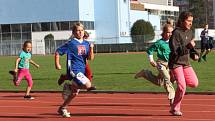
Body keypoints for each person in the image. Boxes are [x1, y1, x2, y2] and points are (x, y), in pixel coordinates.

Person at [55, 22, 94, 118]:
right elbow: (58, 52)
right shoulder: (71, 43)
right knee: (88, 85)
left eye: (82, 30)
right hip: (73, 69)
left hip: (82, 69)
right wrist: (57, 64)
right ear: (74, 32)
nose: (80, 32)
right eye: (78, 30)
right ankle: (69, 85)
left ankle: (62, 108)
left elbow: (90, 58)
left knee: (74, 93)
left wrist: (92, 49)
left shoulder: (86, 43)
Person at [134, 24, 175, 106]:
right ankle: (172, 98)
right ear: (164, 33)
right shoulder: (159, 43)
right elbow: (150, 50)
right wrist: (151, 60)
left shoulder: (173, 42)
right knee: (167, 78)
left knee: (160, 82)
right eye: (168, 32)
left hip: (170, 64)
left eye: (171, 32)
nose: (170, 34)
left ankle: (145, 73)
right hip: (161, 63)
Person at [168, 11, 199, 116]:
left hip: (185, 63)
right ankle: (175, 108)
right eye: (188, 21)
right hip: (175, 63)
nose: (190, 23)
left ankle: (176, 78)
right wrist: (188, 47)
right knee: (182, 87)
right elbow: (176, 51)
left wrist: (195, 54)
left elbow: (192, 49)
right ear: (182, 21)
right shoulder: (175, 33)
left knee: (194, 83)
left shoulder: (190, 33)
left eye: (192, 21)